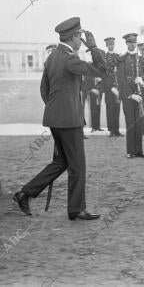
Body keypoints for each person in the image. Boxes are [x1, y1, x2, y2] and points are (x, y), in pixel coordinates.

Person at [13, 17, 107, 219]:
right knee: (78, 166)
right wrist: (94, 47)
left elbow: (44, 89)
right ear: (73, 37)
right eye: (80, 36)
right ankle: (76, 209)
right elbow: (102, 70)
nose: (81, 40)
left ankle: (24, 193)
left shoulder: (53, 57)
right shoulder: (70, 59)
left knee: (62, 162)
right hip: (69, 121)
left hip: (56, 119)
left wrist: (56, 110)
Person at [116, 33, 144, 158]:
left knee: (139, 124)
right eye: (130, 42)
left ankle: (139, 150)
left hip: (139, 95)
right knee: (131, 124)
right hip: (128, 96)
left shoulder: (140, 58)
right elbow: (121, 80)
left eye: (134, 42)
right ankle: (130, 151)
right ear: (126, 43)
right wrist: (130, 95)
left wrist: (142, 81)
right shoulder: (122, 59)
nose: (133, 44)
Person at [102, 37, 123, 137]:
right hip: (109, 88)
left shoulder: (117, 56)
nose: (111, 46)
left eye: (112, 44)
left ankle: (117, 130)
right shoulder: (104, 57)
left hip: (117, 87)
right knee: (110, 109)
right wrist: (110, 87)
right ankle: (111, 130)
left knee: (117, 109)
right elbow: (104, 73)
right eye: (109, 44)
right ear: (107, 45)